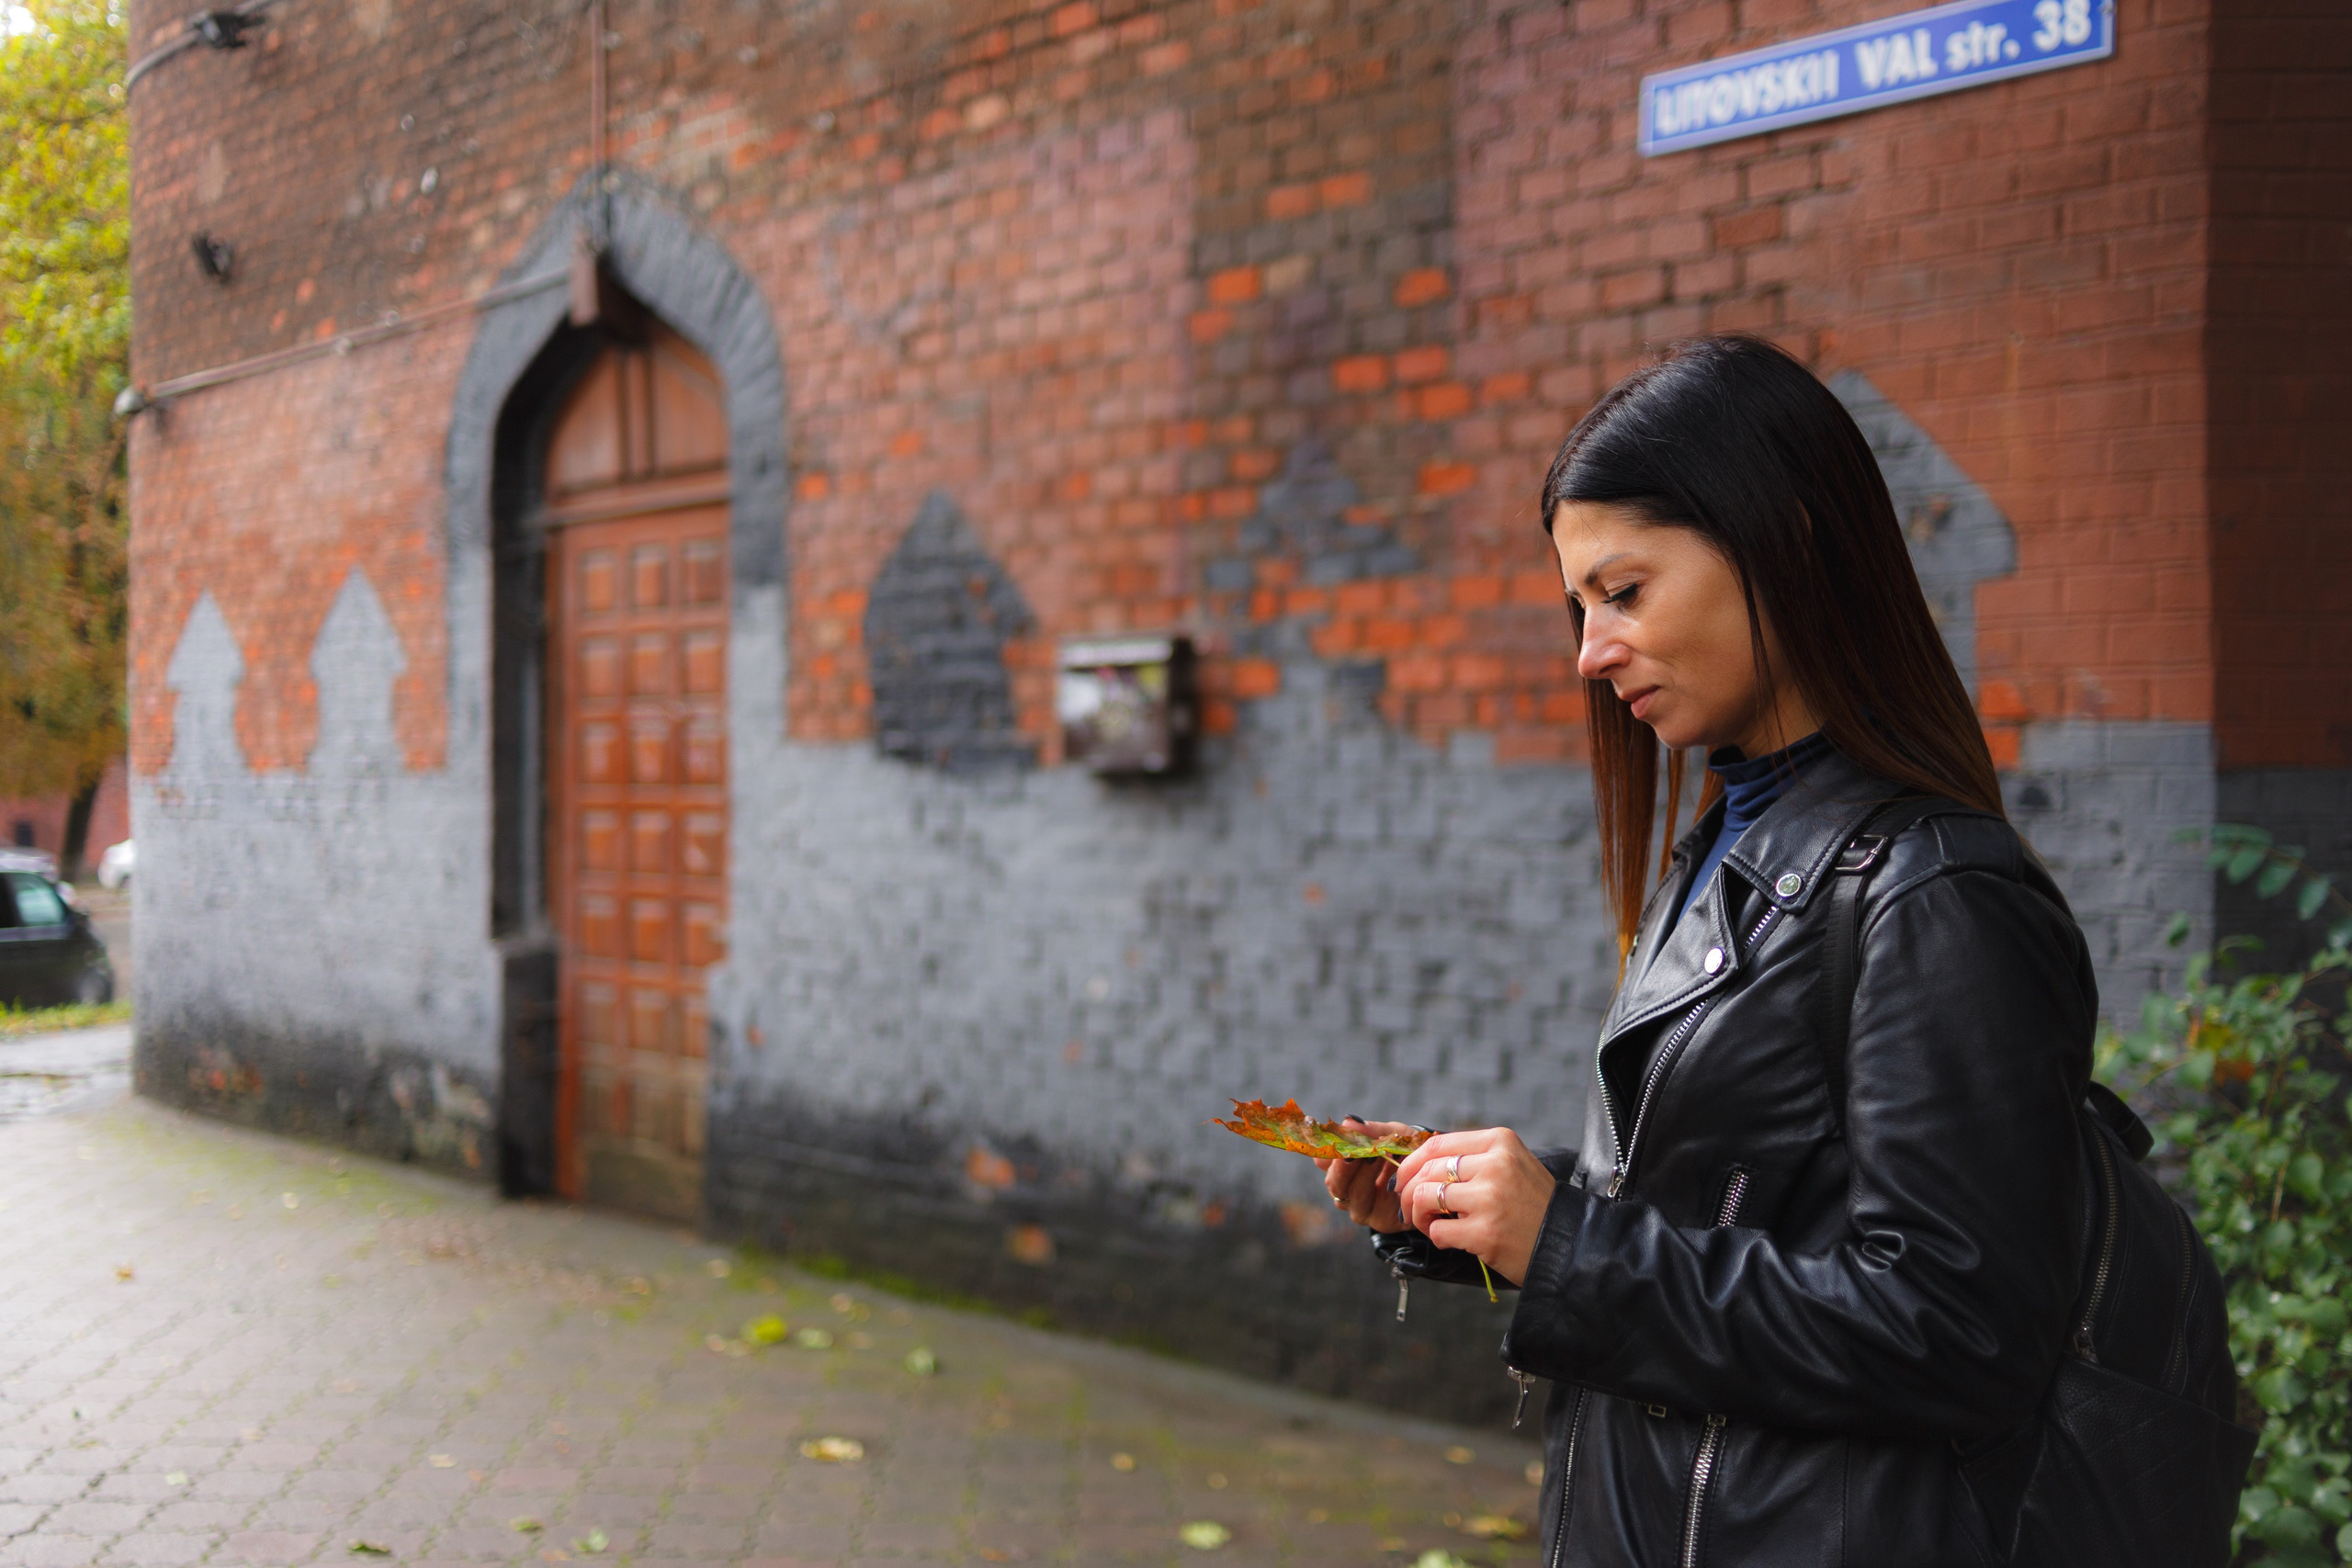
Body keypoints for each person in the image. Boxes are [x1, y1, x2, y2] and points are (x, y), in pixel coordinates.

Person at [1320, 336, 2199, 1565]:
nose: (1588, 651)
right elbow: (1745, 1203)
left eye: (1624, 593)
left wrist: (1568, 1246)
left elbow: (1952, 1333)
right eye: (1580, 607)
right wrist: (1483, 1209)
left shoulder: (1934, 894)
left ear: (1782, 541)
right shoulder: (1725, 845)